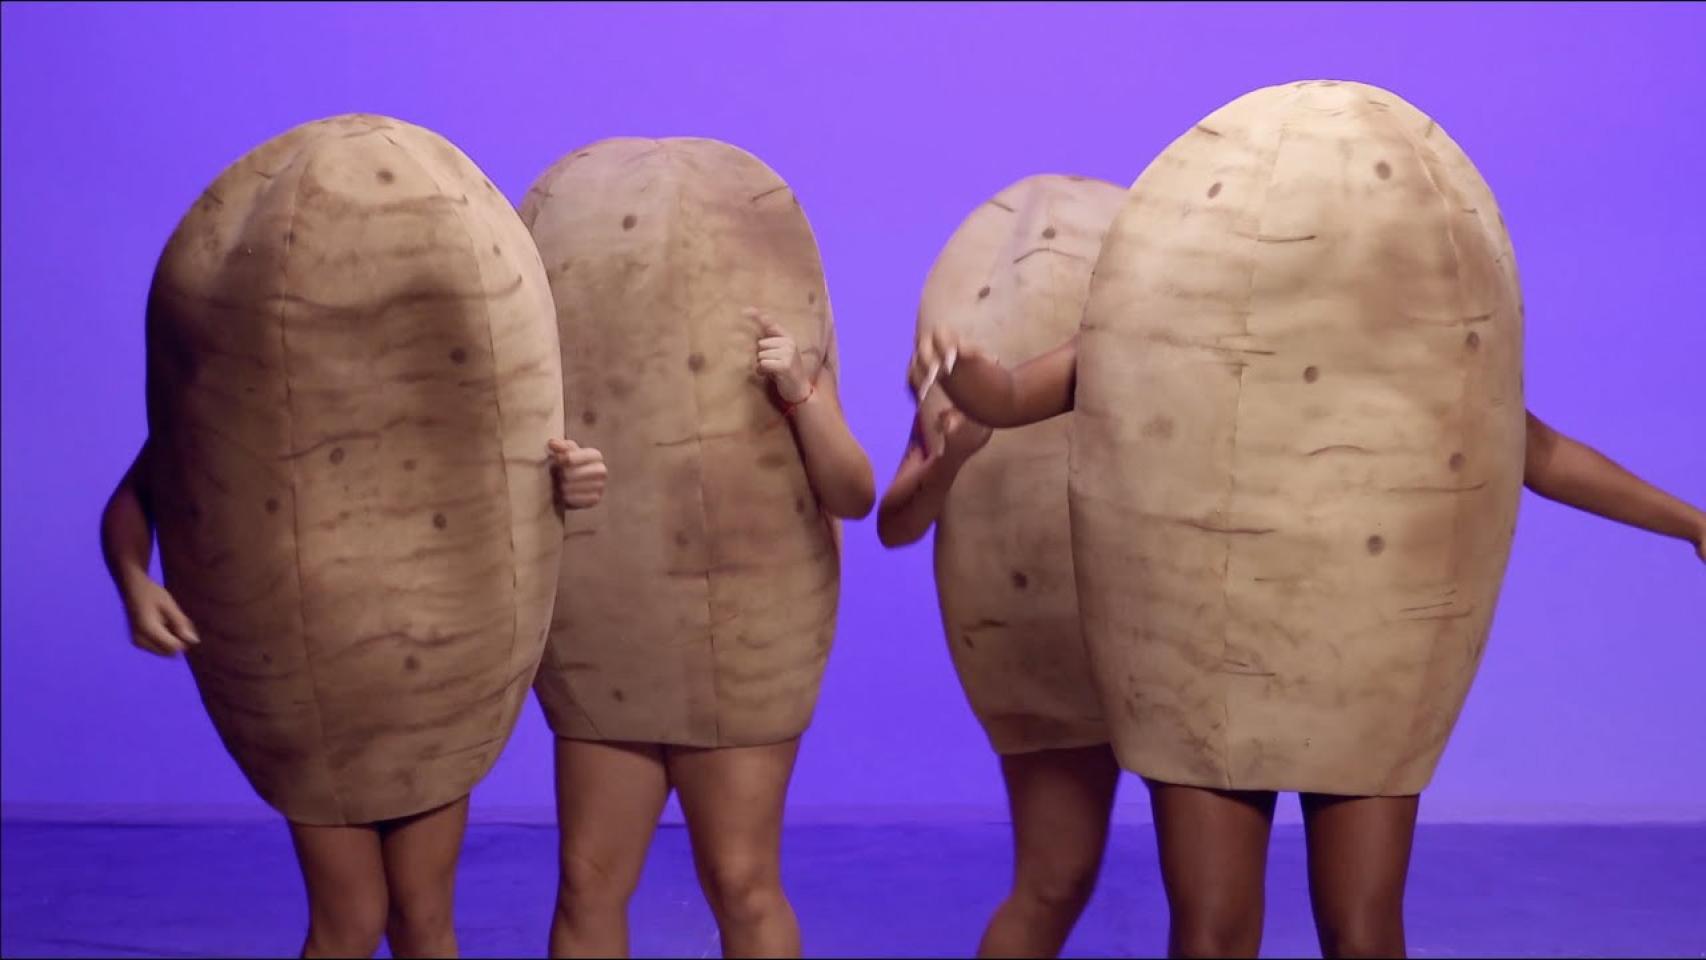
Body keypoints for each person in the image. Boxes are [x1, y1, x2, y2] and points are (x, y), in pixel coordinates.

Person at [909, 328, 1704, 958]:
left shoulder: (1393, 331)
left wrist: (1690, 523)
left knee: (1362, 933)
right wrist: (965, 374)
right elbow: (1012, 396)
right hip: (1205, 647)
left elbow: (1527, 446)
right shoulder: (1157, 317)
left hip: (1357, 649)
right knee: (1212, 936)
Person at [101, 437, 608, 958]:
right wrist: (133, 578)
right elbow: (148, 480)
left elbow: (514, 455)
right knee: (351, 922)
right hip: (312, 678)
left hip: (429, 671)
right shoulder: (266, 393)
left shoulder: (443, 393)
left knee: (423, 917)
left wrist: (565, 477)